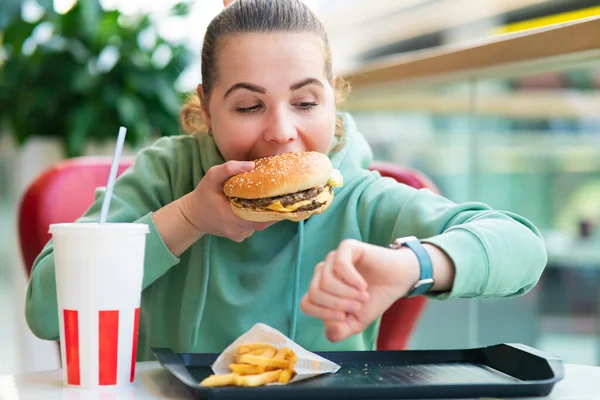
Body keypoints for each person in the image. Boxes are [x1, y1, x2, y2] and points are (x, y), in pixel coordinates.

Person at [25, 0, 547, 360]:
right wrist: (186, 218)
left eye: (304, 102)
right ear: (207, 108)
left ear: (333, 98)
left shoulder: (354, 192)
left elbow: (522, 248)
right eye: (249, 105)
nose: (281, 132)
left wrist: (412, 265)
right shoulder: (165, 175)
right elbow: (45, 310)